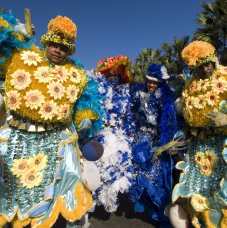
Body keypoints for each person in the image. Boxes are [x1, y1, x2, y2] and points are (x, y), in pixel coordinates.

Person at [0, 11, 104, 228]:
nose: (58, 50)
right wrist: (14, 31)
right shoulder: (25, 58)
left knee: (66, 185)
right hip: (20, 140)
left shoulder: (77, 74)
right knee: (14, 192)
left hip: (58, 140)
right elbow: (3, 39)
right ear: (47, 42)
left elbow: (88, 101)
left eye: (64, 48)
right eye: (55, 45)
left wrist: (86, 117)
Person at [171, 40, 227, 228]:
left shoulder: (225, 77)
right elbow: (185, 116)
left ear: (214, 60)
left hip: (221, 146)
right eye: (200, 66)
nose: (206, 68)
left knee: (218, 191)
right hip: (198, 147)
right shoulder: (190, 86)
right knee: (197, 189)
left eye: (208, 63)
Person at [129, 63, 181, 227]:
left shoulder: (166, 98)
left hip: (159, 141)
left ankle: (162, 214)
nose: (151, 85)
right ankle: (145, 202)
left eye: (155, 82)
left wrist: (170, 142)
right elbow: (131, 113)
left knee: (160, 176)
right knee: (140, 171)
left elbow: (171, 122)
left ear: (160, 83)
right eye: (149, 81)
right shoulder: (137, 93)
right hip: (141, 138)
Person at [86, 55, 136, 214]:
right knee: (95, 167)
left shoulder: (125, 94)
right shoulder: (97, 90)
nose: (114, 79)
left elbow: (128, 116)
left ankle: (109, 198)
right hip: (100, 132)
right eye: (111, 75)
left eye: (118, 76)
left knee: (118, 167)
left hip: (119, 134)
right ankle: (90, 201)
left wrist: (131, 134)